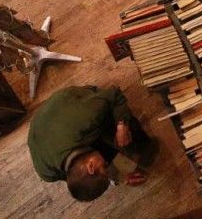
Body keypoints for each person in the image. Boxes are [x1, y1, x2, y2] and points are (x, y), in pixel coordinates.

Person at [27, 85, 158, 201]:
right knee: (99, 152)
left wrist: (122, 124)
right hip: (42, 128)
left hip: (71, 101)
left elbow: (114, 94)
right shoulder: (46, 173)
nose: (106, 164)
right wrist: (122, 177)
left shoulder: (87, 118)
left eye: (104, 168)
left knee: (122, 131)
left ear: (90, 166)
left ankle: (144, 145)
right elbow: (75, 176)